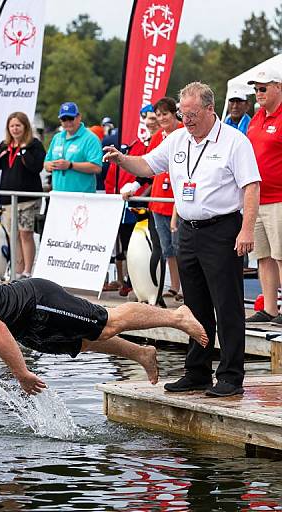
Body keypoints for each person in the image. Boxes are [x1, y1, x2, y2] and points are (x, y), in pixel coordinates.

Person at [104, 82, 261, 397]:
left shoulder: (234, 142)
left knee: (227, 306)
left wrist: (246, 229)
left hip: (222, 229)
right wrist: (122, 159)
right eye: (182, 114)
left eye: (191, 115)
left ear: (208, 110)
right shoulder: (177, 139)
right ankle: (197, 371)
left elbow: (251, 186)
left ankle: (230, 376)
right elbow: (147, 165)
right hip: (188, 230)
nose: (186, 120)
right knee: (195, 306)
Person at [0, 269, 209, 394]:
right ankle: (142, 353)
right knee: (85, 342)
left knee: (107, 323)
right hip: (28, 331)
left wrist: (21, 373)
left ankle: (176, 317)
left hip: (36, 303)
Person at [122, 97, 184, 301]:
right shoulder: (157, 137)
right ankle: (174, 286)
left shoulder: (184, 132)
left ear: (174, 113)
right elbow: (148, 167)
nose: (162, 118)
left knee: (182, 248)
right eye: (158, 115)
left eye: (165, 114)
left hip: (178, 203)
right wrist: (135, 185)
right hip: (158, 202)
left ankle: (186, 287)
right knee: (166, 249)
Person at [102, 104, 159, 294]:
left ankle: (152, 286)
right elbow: (118, 174)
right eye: (147, 118)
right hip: (130, 201)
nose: (150, 122)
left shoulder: (159, 141)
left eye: (153, 118)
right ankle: (128, 280)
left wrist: (141, 193)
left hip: (150, 201)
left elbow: (153, 173)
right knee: (128, 243)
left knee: (154, 246)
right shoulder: (136, 143)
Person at [0, 112, 46, 278]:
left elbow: (36, 167)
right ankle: (17, 270)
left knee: (25, 233)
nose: (15, 129)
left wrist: (23, 151)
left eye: (18, 125)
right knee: (13, 235)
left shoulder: (34, 145)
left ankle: (28, 270)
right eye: (12, 126)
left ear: (25, 127)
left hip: (27, 199)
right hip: (8, 199)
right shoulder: (4, 145)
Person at [246, 69, 282, 325]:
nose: (258, 93)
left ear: (278, 87)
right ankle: (270, 308)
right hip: (257, 198)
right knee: (264, 256)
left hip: (279, 198)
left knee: (281, 255)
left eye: (263, 88)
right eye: (256, 89)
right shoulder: (256, 118)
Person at [44, 102, 102, 193]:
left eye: (71, 118)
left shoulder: (91, 138)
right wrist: (48, 165)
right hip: (58, 195)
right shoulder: (57, 137)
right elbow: (46, 162)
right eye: (64, 119)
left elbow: (97, 167)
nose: (68, 122)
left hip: (82, 197)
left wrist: (71, 165)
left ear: (79, 117)